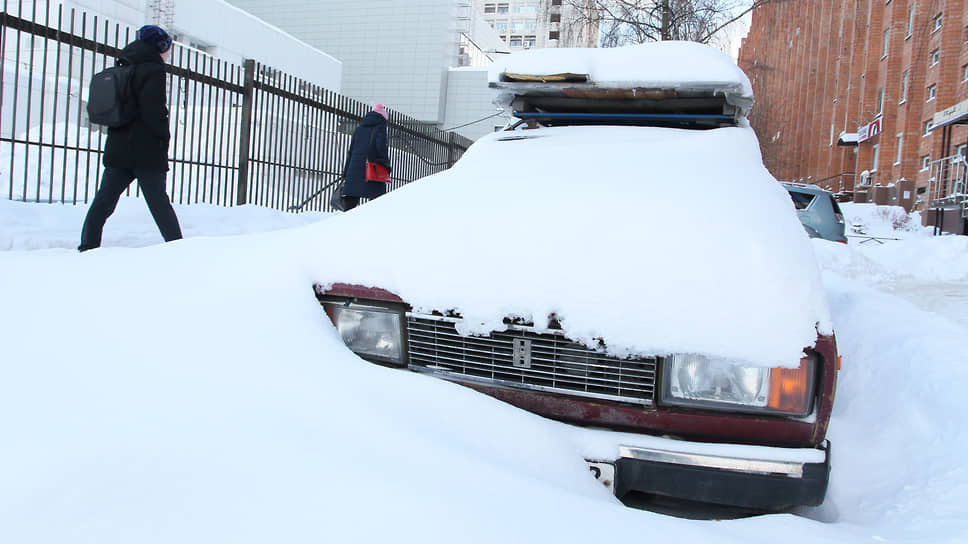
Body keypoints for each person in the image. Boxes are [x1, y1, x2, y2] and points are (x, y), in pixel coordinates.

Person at [78, 25, 181, 251]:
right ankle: (177, 247)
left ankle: (88, 244)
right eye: (167, 48)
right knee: (158, 202)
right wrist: (163, 136)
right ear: (160, 46)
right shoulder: (153, 69)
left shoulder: (124, 64)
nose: (167, 53)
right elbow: (152, 109)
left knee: (104, 200)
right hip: (146, 148)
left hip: (119, 145)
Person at [339, 103, 392, 211]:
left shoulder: (359, 128)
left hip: (354, 168)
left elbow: (351, 151)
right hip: (371, 167)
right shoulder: (380, 127)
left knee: (351, 199)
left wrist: (346, 172)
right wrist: (386, 164)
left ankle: (346, 220)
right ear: (383, 117)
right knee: (377, 198)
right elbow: (381, 148)